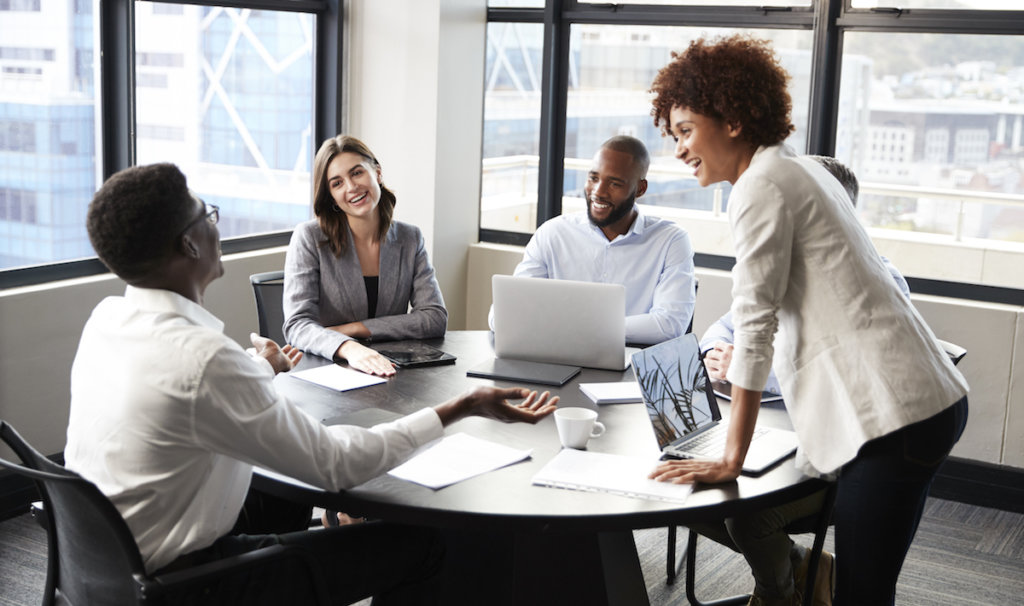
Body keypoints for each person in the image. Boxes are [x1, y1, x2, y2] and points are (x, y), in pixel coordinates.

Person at [66, 162, 558, 605]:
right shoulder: (204, 359)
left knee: (280, 494)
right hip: (192, 586)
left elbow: (199, 389)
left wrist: (264, 367)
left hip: (111, 571)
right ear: (190, 243)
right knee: (421, 544)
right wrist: (461, 406)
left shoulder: (107, 321)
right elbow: (335, 465)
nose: (215, 225)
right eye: (207, 214)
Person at [647, 35, 968, 606]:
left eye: (686, 130)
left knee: (863, 594)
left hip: (896, 415)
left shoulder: (761, 185)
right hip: (924, 405)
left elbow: (753, 326)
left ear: (736, 119)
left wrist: (731, 457)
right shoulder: (796, 169)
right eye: (672, 136)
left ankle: (798, 576)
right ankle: (803, 572)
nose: (678, 150)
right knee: (867, 588)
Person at [701, 155, 911, 395]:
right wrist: (715, 354)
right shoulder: (789, 268)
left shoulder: (880, 283)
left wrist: (744, 368)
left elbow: (838, 378)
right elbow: (726, 326)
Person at [489, 135, 696, 345]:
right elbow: (502, 316)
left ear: (640, 189)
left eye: (615, 183)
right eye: (594, 178)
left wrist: (577, 328)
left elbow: (670, 325)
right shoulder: (552, 234)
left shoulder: (671, 241)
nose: (598, 192)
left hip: (631, 367)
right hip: (557, 358)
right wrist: (587, 329)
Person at [284, 135, 447, 378]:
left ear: (377, 173)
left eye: (357, 173)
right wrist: (346, 346)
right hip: (327, 372)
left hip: (391, 372)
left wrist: (355, 329)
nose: (351, 187)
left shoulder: (409, 238)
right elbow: (297, 325)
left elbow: (434, 318)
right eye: (337, 183)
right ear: (331, 197)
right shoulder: (309, 237)